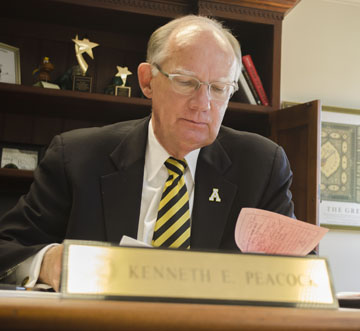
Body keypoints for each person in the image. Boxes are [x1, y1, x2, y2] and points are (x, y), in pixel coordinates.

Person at [0, 15, 295, 291]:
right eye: (186, 82)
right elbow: (8, 247)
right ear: (147, 80)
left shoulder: (262, 166)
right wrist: (50, 262)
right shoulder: (77, 157)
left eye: (219, 88)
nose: (202, 104)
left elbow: (299, 276)